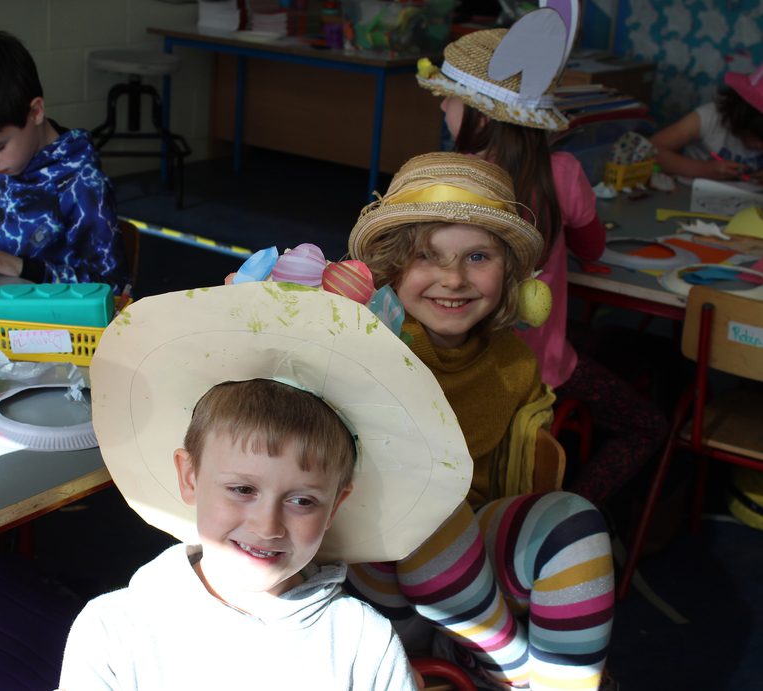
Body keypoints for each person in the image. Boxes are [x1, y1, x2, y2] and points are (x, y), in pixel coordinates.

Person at [58, 281, 477, 690]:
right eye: (243, 490)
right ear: (189, 477)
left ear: (335, 506)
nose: (267, 526)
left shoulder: (363, 644)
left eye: (302, 500)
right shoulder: (115, 630)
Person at [347, 152, 615, 691]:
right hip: (372, 575)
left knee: (576, 522)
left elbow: (510, 485)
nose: (453, 278)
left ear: (510, 275)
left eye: (477, 256)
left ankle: (543, 679)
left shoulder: (514, 363)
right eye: (426, 255)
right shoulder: (363, 344)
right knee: (429, 504)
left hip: (470, 579)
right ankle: (511, 670)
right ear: (391, 268)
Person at [417, 27, 667, 506]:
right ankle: (571, 508)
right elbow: (593, 250)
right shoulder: (564, 172)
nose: (442, 106)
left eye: (449, 97)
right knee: (649, 424)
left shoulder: (449, 180)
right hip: (543, 366)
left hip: (463, 367)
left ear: (481, 115)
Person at [0, 30, 128, 291]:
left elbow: (114, 289)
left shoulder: (81, 184)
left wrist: (23, 268)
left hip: (43, 314)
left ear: (36, 112)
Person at [650, 64, 763, 183]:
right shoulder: (709, 117)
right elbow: (650, 149)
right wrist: (704, 169)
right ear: (739, 118)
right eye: (759, 137)